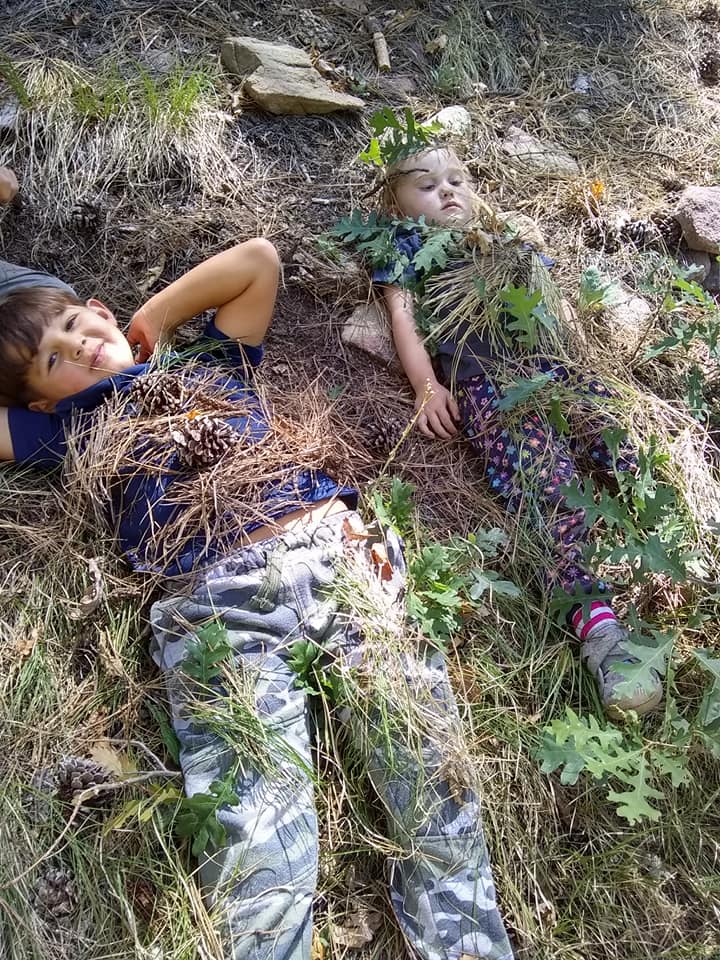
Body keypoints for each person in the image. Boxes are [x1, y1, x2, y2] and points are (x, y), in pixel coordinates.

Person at [0, 242, 514, 960]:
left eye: (77, 327)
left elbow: (259, 261)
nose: (80, 349)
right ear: (39, 400)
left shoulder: (210, 364)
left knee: (433, 783)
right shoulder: (68, 429)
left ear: (100, 311)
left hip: (339, 555)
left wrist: (156, 316)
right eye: (54, 358)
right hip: (219, 604)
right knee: (259, 840)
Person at [370, 142, 662, 718]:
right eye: (426, 187)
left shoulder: (505, 244)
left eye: (456, 180)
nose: (447, 191)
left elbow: (561, 310)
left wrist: (582, 352)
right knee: (546, 487)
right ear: (397, 209)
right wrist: (428, 385)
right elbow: (402, 316)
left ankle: (673, 539)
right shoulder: (405, 246)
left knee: (620, 443)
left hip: (556, 370)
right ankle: (598, 627)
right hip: (490, 383)